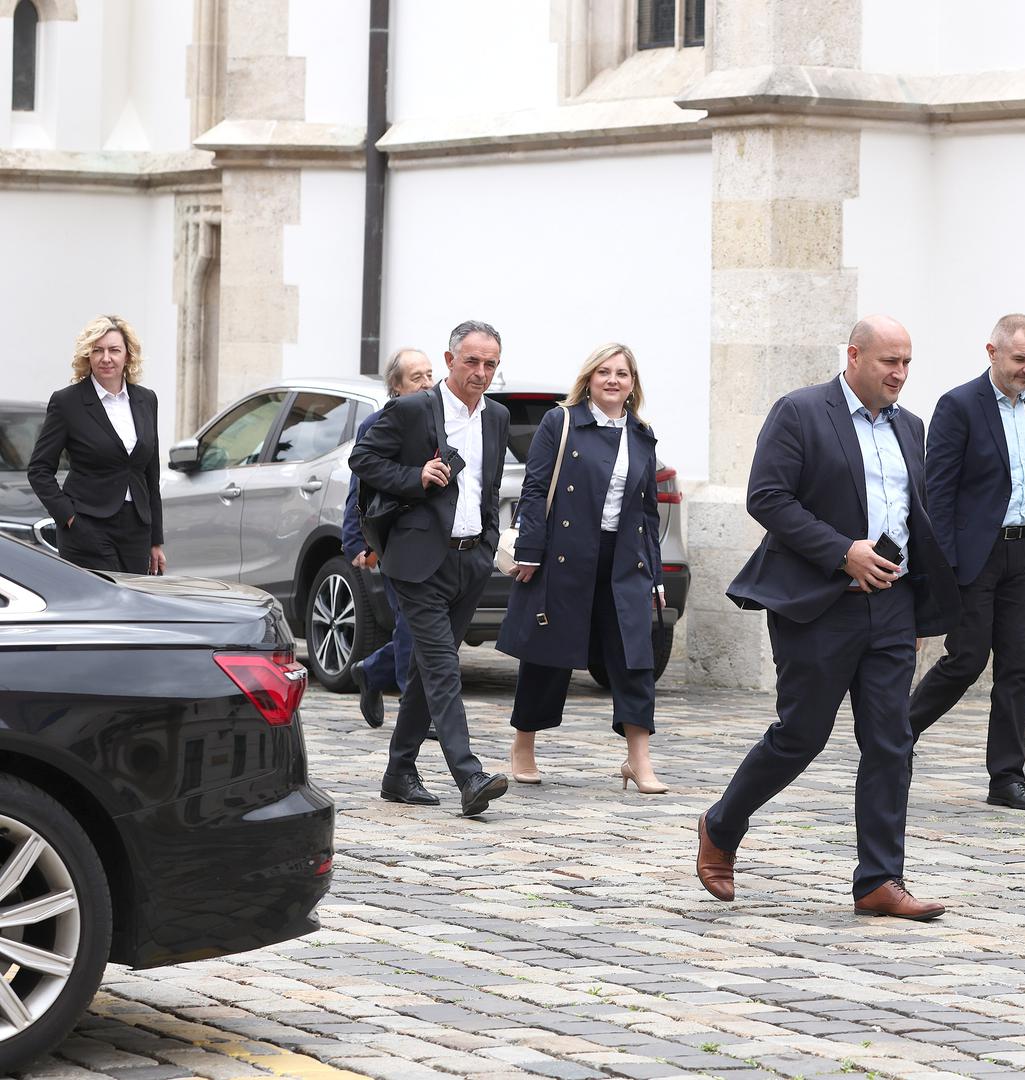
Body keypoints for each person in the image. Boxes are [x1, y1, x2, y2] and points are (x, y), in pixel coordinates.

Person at [696, 315, 961, 919]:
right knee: (801, 734)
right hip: (818, 604)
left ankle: (879, 879)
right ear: (855, 355)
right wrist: (843, 552)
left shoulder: (910, 428)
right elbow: (767, 496)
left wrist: (918, 603)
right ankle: (720, 826)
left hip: (893, 603)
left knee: (892, 740)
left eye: (907, 363)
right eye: (890, 362)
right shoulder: (800, 411)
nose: (900, 374)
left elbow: (914, 515)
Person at [349, 320, 511, 817]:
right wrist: (415, 477)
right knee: (442, 667)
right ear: (449, 361)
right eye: (472, 362)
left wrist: (488, 541)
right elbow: (363, 459)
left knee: (422, 671)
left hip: (471, 560)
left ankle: (399, 771)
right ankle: (469, 774)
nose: (480, 373)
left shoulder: (497, 416)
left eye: (490, 365)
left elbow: (488, 484)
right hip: (418, 562)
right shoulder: (414, 408)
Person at [497, 344, 668, 793]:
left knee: (634, 658)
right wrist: (530, 551)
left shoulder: (642, 434)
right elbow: (535, 489)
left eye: (622, 374)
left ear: (633, 384)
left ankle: (639, 759)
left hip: (624, 558)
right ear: (589, 379)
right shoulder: (563, 421)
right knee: (547, 653)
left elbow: (648, 510)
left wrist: (655, 573)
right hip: (566, 553)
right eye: (604, 372)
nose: (613, 380)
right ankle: (524, 745)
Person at [908, 313, 1025, 812]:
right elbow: (939, 491)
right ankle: (898, 735)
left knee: (1019, 667)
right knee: (966, 660)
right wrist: (944, 566)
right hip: (976, 557)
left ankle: (1007, 778)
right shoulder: (958, 406)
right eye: (1020, 359)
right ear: (991, 353)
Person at [28, 314, 166, 575]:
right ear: (87, 356)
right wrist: (69, 517)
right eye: (97, 350)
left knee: (135, 609)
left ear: (128, 355)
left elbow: (151, 475)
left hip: (136, 528)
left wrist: (155, 539)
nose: (106, 358)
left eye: (114, 350)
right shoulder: (67, 402)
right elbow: (39, 470)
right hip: (87, 526)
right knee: (100, 610)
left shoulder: (146, 400)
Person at [342, 347, 435, 729]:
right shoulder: (379, 424)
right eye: (418, 378)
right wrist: (358, 543)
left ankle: (372, 671)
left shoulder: (443, 419)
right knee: (412, 624)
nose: (428, 383)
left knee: (428, 628)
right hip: (396, 542)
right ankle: (415, 712)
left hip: (438, 542)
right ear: (396, 387)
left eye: (430, 375)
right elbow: (359, 489)